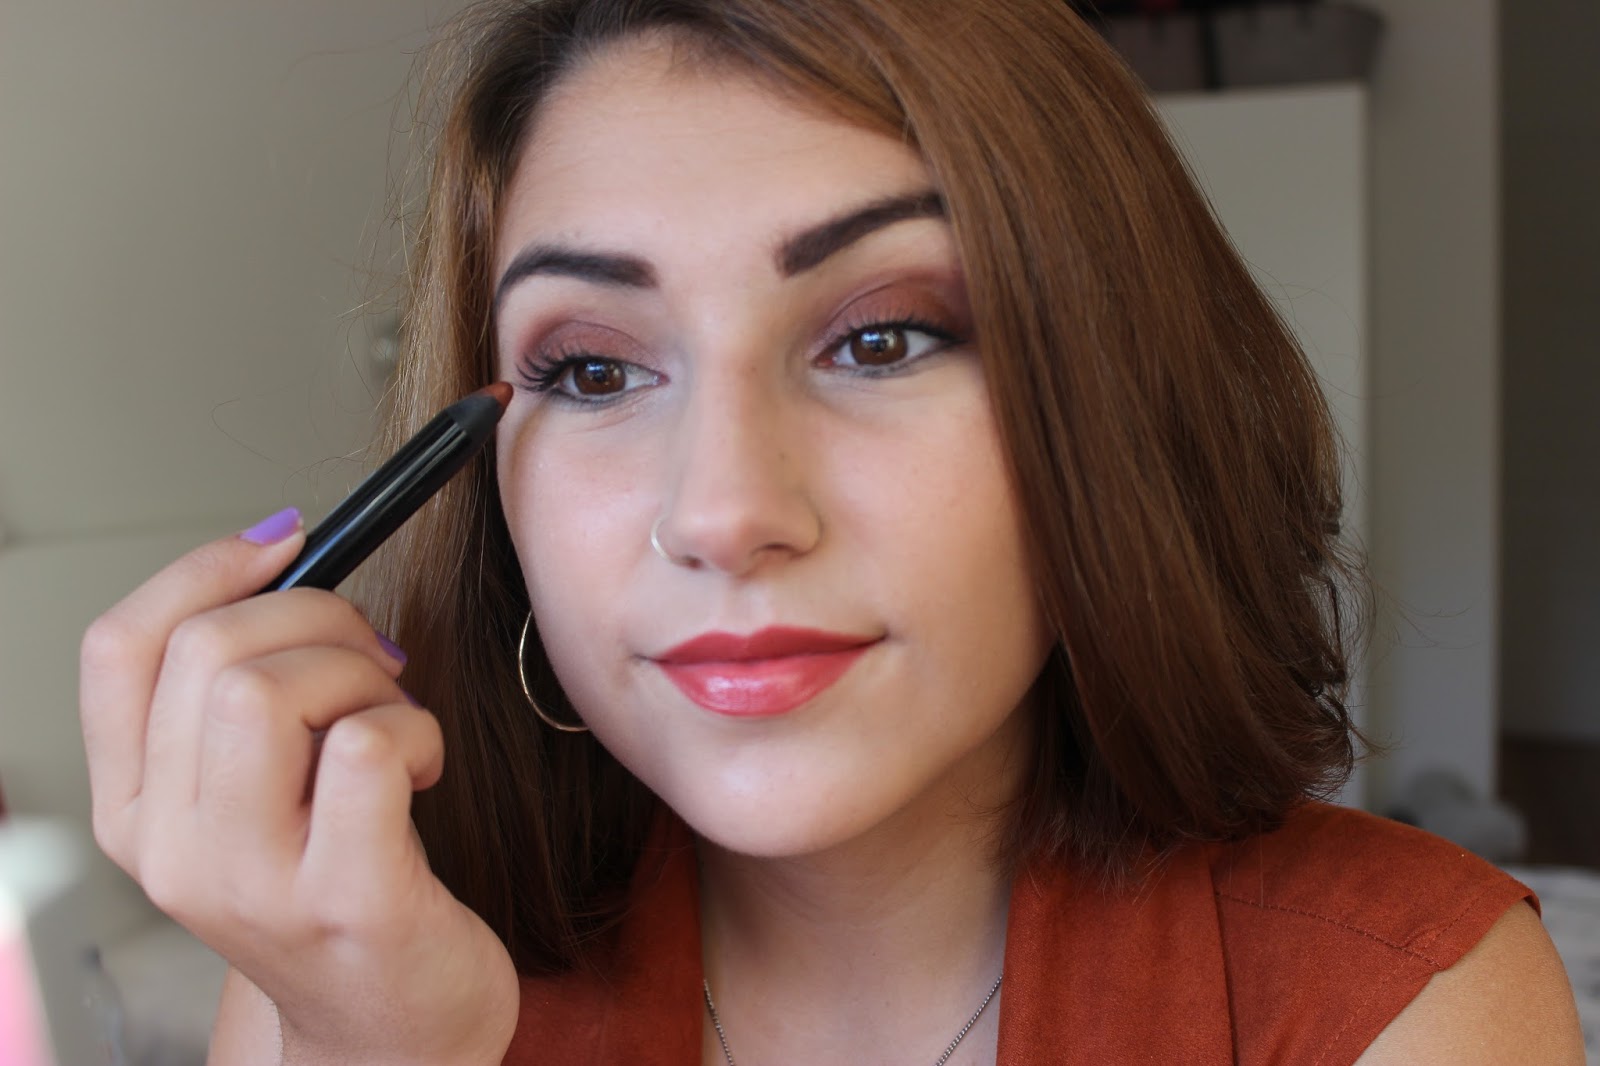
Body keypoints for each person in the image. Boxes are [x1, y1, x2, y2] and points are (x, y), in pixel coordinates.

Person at [78, 0, 1586, 1063]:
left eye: (883, 339)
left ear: (1107, 404)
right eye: (592, 371)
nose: (724, 514)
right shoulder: (342, 982)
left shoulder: (1402, 1001)